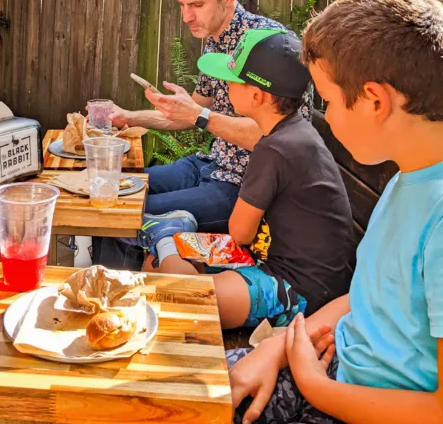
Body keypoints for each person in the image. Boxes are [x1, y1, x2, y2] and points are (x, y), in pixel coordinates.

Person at [102, 0, 443, 424]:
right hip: (325, 364)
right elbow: (370, 295)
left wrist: (316, 384)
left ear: (373, 100)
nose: (321, 116)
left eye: (326, 100)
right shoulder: (409, 177)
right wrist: (276, 349)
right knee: (138, 399)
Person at [93, 0, 312, 269]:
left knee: (121, 214)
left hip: (242, 188)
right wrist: (130, 116)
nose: (186, 17)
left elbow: (278, 138)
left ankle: (119, 303)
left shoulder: (269, 47)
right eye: (182, 5)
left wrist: (199, 115)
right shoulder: (215, 40)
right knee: (115, 188)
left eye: (196, 5)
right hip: (209, 163)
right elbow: (195, 110)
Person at [137, 28, 353, 331]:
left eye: (232, 78)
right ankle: (169, 236)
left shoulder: (273, 148)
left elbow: (240, 233)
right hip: (283, 266)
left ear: (256, 95)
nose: (225, 84)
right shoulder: (293, 133)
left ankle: (164, 233)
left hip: (301, 291)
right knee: (157, 267)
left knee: (187, 301)